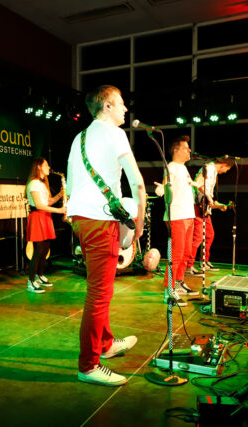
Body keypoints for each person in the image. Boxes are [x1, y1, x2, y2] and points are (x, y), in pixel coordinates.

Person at [66, 85, 146, 386]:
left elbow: (71, 184)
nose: (125, 108)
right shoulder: (115, 133)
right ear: (107, 106)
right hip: (100, 220)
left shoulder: (79, 138)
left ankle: (105, 343)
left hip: (81, 219)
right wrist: (139, 220)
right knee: (99, 294)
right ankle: (88, 365)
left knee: (100, 288)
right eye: (121, 103)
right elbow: (137, 182)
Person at [154, 136, 200, 305]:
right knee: (177, 254)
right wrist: (161, 188)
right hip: (177, 216)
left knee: (186, 253)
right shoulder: (172, 167)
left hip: (188, 216)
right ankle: (169, 290)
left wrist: (197, 185)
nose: (189, 150)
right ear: (176, 150)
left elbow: (187, 185)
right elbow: (167, 182)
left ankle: (179, 283)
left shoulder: (183, 168)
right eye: (186, 148)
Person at [186, 157, 234, 274]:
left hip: (203, 207)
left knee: (209, 234)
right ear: (223, 165)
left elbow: (208, 197)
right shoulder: (208, 168)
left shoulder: (213, 171)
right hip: (198, 206)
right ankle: (188, 265)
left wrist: (219, 205)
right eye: (227, 169)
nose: (226, 172)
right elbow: (198, 185)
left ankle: (204, 261)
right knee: (198, 237)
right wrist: (206, 198)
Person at [25, 158, 66, 293]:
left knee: (45, 250)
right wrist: (59, 210)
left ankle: (40, 275)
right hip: (38, 217)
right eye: (46, 165)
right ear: (39, 167)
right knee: (38, 251)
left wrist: (60, 195)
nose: (48, 167)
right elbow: (39, 205)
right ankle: (31, 282)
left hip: (45, 217)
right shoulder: (33, 183)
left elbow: (47, 202)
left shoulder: (42, 184)